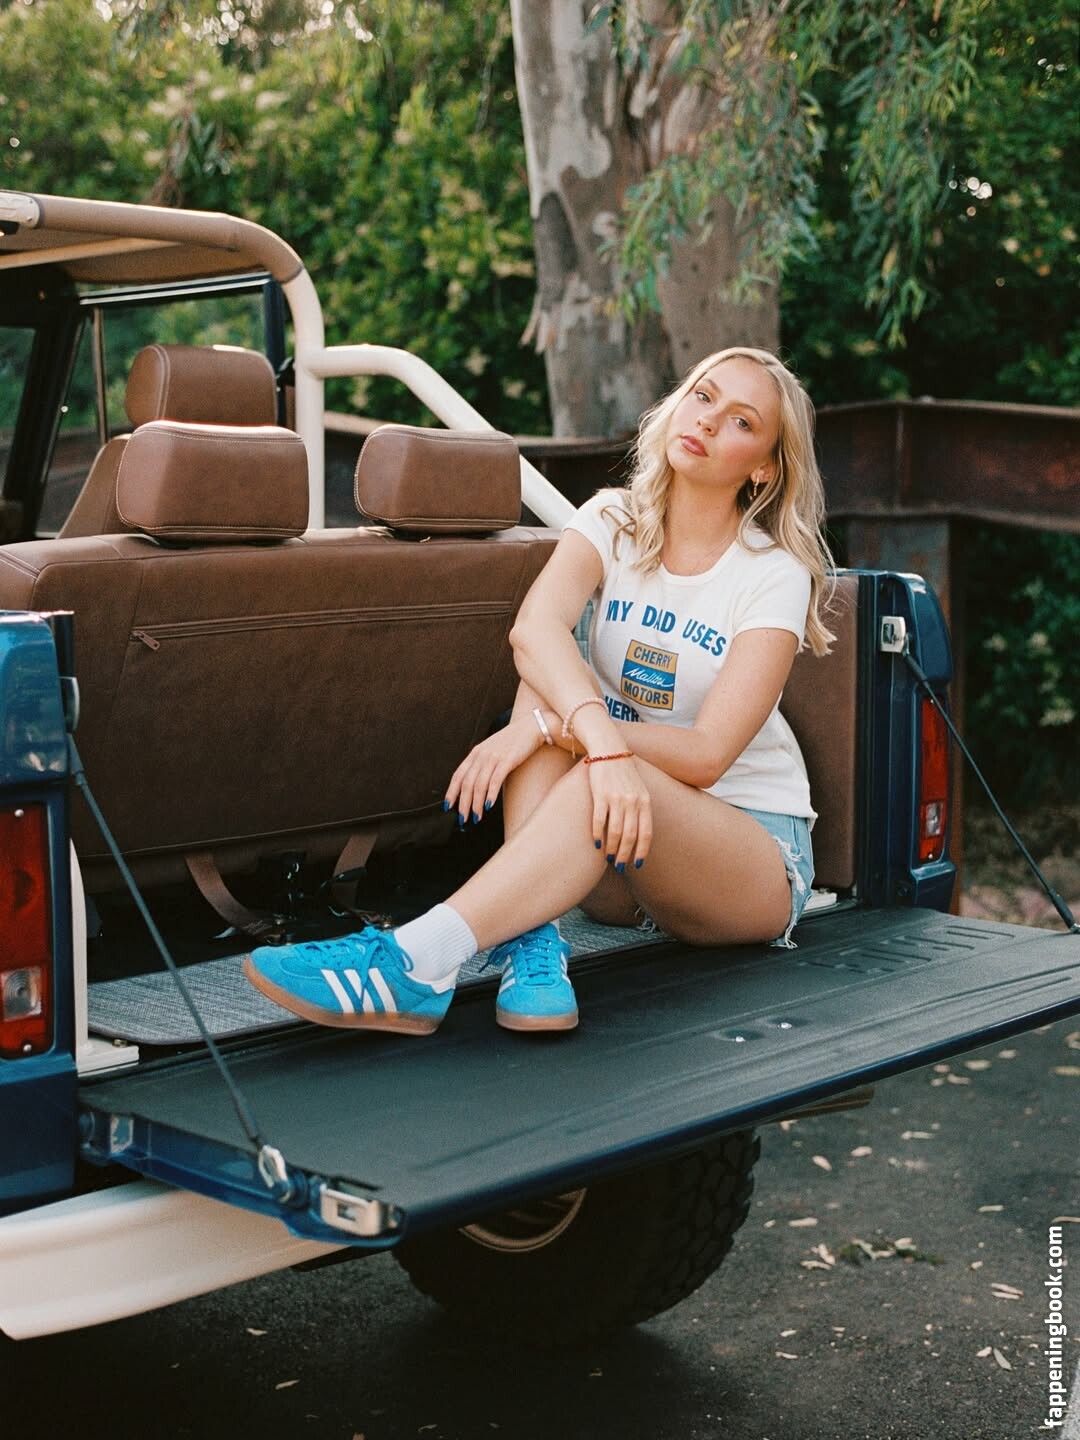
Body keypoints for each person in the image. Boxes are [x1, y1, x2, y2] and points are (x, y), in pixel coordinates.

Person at [243, 347, 835, 1035]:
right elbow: (535, 629)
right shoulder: (613, 520)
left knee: (566, 731)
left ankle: (416, 962)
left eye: (741, 421)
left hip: (747, 858)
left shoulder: (772, 573)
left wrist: (565, 734)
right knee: (546, 682)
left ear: (764, 467)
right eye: (703, 396)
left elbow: (706, 756)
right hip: (626, 855)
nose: (707, 420)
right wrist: (580, 735)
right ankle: (534, 946)